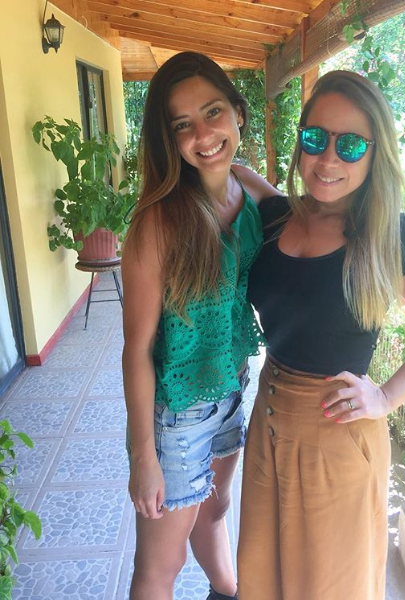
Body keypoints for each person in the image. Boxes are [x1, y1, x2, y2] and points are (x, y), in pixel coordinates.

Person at [238, 70, 405, 600]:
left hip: (337, 433)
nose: (328, 159)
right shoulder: (277, 218)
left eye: (351, 145)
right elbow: (239, 175)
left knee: (329, 585)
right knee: (262, 576)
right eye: (315, 138)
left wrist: (385, 397)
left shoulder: (395, 236)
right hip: (267, 421)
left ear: (375, 152)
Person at [121, 51, 277, 600]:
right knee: (159, 567)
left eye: (212, 112)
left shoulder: (248, 188)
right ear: (169, 140)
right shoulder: (158, 223)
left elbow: (310, 226)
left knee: (215, 511)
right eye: (182, 125)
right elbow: (136, 349)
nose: (203, 135)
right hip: (177, 413)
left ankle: (227, 592)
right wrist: (143, 455)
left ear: (238, 112)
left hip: (233, 390)